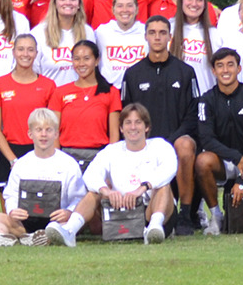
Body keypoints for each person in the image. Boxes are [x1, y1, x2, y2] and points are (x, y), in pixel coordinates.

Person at [119, 15, 201, 230]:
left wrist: (172, 139)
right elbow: (127, 114)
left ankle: (186, 214)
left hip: (175, 140)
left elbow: (193, 112)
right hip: (144, 144)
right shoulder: (133, 74)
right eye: (153, 33)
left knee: (185, 146)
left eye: (162, 32)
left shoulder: (185, 72)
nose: (157, 37)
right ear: (145, 36)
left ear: (170, 37)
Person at [73, 103, 177, 244]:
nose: (133, 127)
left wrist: (142, 188)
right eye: (128, 123)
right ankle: (69, 230)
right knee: (94, 191)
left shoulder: (160, 145)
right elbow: (90, 175)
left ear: (147, 127)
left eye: (138, 122)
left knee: (164, 185)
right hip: (122, 210)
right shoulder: (111, 150)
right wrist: (107, 191)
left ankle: (154, 228)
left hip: (153, 209)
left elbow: (169, 168)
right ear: (121, 128)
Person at [0, 108, 87, 246]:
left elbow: (79, 198)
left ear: (56, 134)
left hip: (56, 223)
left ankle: (41, 237)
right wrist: (13, 210)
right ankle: (2, 238)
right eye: (39, 130)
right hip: (24, 222)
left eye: (49, 130)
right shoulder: (21, 164)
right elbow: (11, 194)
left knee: (66, 225)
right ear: (30, 134)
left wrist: (69, 212)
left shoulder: (69, 164)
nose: (44, 135)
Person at [195, 48, 243, 234]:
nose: (225, 70)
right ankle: (216, 215)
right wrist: (236, 158)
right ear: (213, 71)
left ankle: (238, 205)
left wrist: (242, 179)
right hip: (226, 162)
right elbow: (206, 139)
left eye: (230, 65)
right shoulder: (206, 100)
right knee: (203, 161)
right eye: (220, 66)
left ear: (239, 68)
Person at [0, 34, 58, 185]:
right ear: (13, 52)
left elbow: (53, 126)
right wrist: (12, 159)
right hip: (10, 151)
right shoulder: (0, 84)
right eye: (21, 49)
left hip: (39, 150)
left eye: (30, 50)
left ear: (36, 53)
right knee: (10, 206)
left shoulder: (48, 85)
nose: (25, 54)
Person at [52, 42, 120, 157]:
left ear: (97, 60)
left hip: (99, 155)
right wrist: (57, 159)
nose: (81, 64)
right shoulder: (60, 92)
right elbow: (54, 131)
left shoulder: (111, 92)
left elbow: (114, 134)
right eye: (77, 59)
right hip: (67, 155)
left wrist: (110, 160)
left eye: (87, 58)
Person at [33, 0, 92, 86]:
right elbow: (34, 71)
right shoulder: (38, 33)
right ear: (55, 4)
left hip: (80, 96)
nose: (68, 2)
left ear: (78, 5)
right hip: (50, 96)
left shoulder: (88, 32)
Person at [170, 0, 218, 93]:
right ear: (181, 0)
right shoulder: (168, 29)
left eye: (199, 0)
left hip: (205, 99)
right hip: (174, 100)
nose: (194, 4)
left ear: (205, 4)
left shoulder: (214, 34)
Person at [93, 0, 147, 87]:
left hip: (139, 88)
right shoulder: (101, 32)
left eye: (129, 5)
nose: (125, 10)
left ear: (137, 9)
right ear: (113, 10)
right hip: (109, 89)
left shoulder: (146, 31)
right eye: (120, 6)